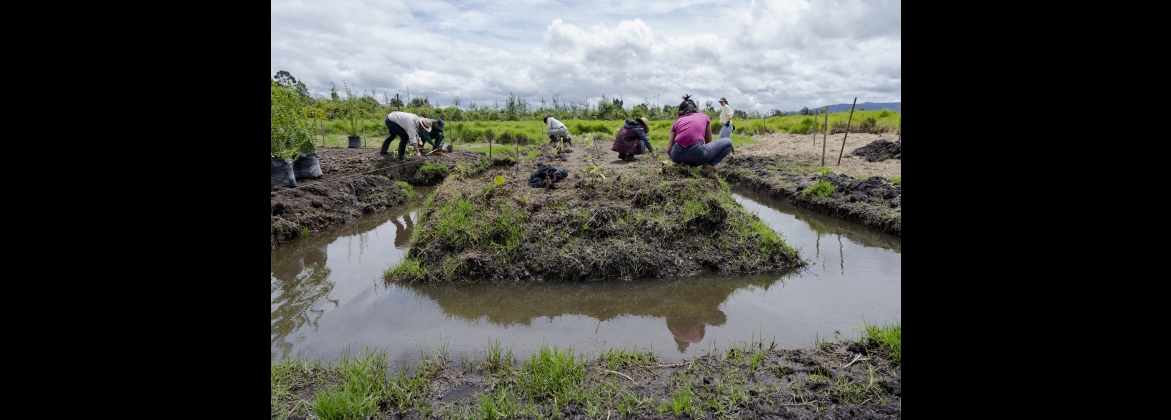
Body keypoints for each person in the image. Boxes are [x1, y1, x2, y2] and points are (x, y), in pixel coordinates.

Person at [667, 94, 734, 174]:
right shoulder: (704, 117)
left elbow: (668, 149)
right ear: (695, 108)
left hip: (677, 156)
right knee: (728, 142)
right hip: (697, 154)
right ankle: (708, 167)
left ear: (681, 111)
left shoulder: (677, 121)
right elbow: (709, 143)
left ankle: (684, 165)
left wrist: (676, 160)